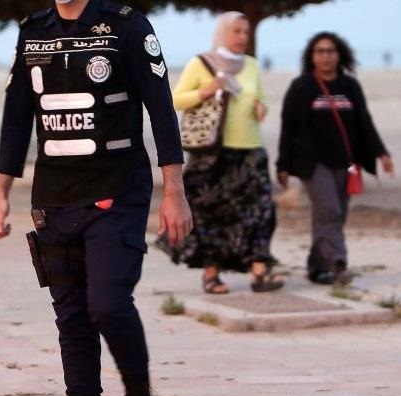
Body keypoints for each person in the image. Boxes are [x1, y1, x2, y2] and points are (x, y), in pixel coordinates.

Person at [0, 0, 192, 396]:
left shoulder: (126, 26)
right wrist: (1, 192)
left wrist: (174, 191)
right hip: (54, 198)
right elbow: (17, 115)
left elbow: (160, 108)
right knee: (73, 322)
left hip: (117, 191)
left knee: (107, 305)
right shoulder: (33, 31)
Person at [161, 11, 284, 294]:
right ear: (222, 32)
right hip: (212, 152)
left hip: (251, 151)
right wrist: (206, 91)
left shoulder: (251, 65)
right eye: (236, 31)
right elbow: (175, 99)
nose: (242, 37)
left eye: (246, 32)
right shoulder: (202, 63)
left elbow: (260, 98)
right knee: (212, 213)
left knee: (261, 211)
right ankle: (211, 274)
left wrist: (261, 107)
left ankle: (260, 271)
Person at [277, 32, 394, 285]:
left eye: (330, 51)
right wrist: (282, 165)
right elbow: (289, 128)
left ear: (339, 55)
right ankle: (338, 264)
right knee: (329, 209)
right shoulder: (302, 87)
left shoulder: (349, 86)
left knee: (333, 215)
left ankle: (316, 265)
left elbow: (364, 122)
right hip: (313, 164)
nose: (325, 56)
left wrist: (381, 152)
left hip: (347, 163)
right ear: (312, 56)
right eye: (320, 51)